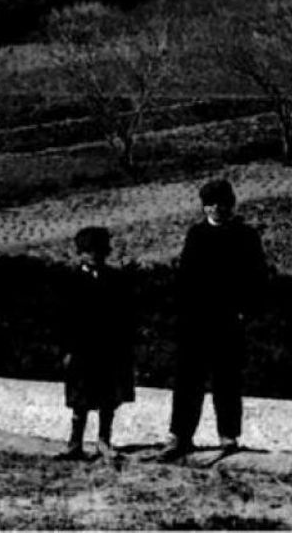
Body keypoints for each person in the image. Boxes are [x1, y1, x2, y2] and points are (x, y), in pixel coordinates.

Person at [149, 177, 270, 462]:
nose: (216, 209)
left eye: (222, 204)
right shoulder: (196, 235)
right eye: (210, 204)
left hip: (229, 320)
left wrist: (246, 311)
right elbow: (185, 279)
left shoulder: (245, 236)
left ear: (231, 205)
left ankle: (228, 436)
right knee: (188, 380)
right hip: (195, 321)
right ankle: (180, 436)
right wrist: (183, 314)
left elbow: (258, 278)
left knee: (227, 379)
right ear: (204, 207)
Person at [56, 225, 135, 461]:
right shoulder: (71, 280)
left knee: (107, 398)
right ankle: (75, 443)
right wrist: (67, 349)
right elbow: (64, 318)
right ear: (81, 253)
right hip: (82, 349)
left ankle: (104, 441)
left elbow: (123, 315)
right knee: (80, 399)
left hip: (108, 348)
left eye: (99, 251)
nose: (94, 256)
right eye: (89, 252)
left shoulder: (115, 279)